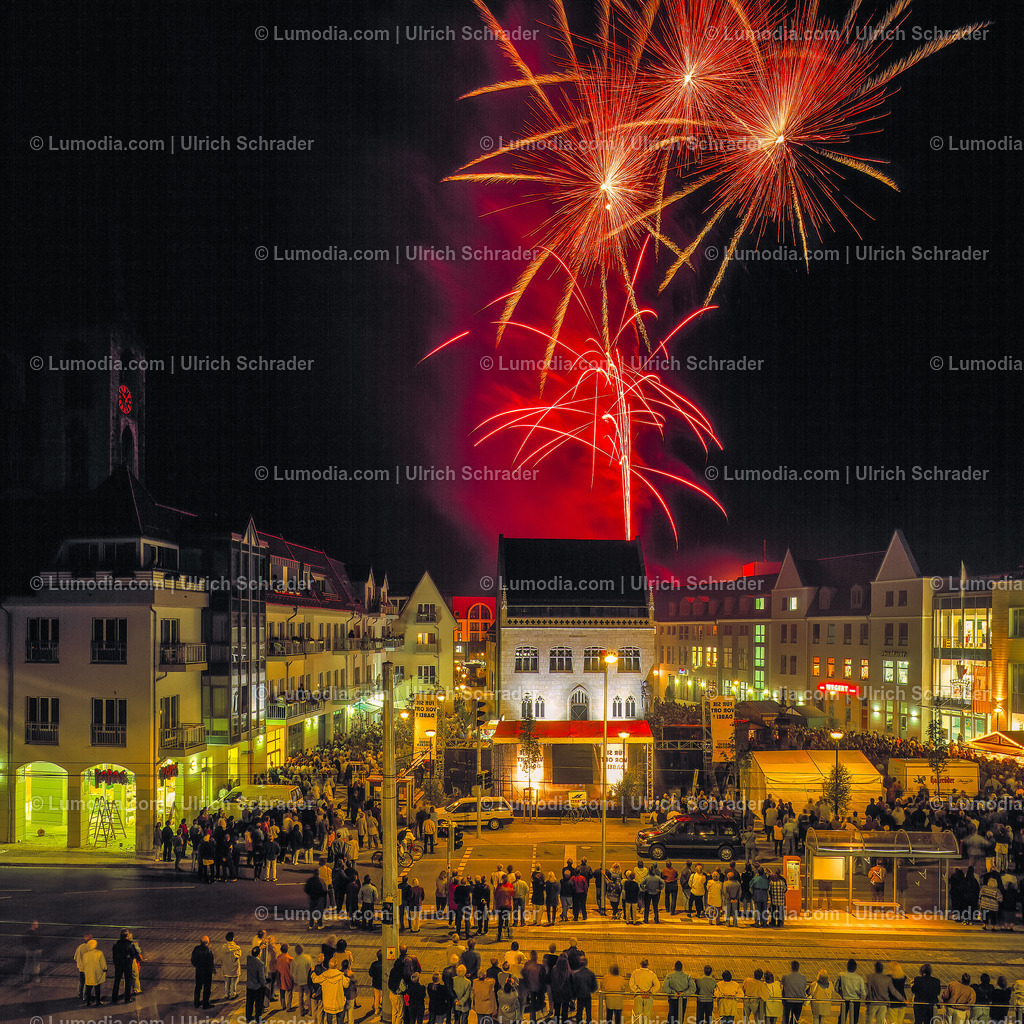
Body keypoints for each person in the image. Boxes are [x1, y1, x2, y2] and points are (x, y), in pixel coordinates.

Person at [630, 959, 660, 1024]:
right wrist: (650, 992)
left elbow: (631, 984)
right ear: (648, 965)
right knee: (647, 1015)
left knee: (638, 1014)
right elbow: (657, 985)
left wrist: (639, 991)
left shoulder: (635, 972)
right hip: (648, 996)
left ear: (640, 964)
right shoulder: (652, 974)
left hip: (638, 996)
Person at [192, 935, 216, 1010]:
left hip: (199, 971)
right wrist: (212, 970)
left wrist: (197, 966)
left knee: (198, 987)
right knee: (207, 988)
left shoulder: (196, 949)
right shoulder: (208, 951)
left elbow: (193, 960)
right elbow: (210, 962)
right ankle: (205, 1004)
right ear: (207, 942)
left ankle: (196, 1002)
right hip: (207, 973)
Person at [246, 945, 268, 1024]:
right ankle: (258, 1019)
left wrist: (259, 947)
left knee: (249, 1003)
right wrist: (264, 984)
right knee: (258, 1004)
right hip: (257, 987)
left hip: (249, 985)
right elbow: (261, 977)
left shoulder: (249, 959)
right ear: (259, 954)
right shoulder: (260, 963)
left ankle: (248, 1017)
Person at [550, 953, 574, 1024]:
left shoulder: (554, 969)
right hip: (566, 994)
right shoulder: (568, 972)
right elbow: (571, 984)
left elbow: (552, 982)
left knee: (557, 1010)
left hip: (556, 993)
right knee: (565, 1011)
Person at [573, 956, 598, 1024]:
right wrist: (590, 990)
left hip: (579, 996)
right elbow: (595, 987)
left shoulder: (576, 974)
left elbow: (574, 987)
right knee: (588, 1014)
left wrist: (574, 996)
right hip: (587, 995)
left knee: (579, 1013)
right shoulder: (590, 974)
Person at [82, 939, 107, 1006]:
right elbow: (103, 963)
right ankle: (97, 1001)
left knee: (88, 988)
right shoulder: (99, 953)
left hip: (88, 972)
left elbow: (84, 964)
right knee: (97, 987)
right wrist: (105, 968)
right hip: (97, 973)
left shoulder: (85, 954)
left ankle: (88, 1001)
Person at [292, 944, 314, 1016]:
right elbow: (311, 968)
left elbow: (292, 972)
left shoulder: (294, 960)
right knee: (308, 995)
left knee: (300, 995)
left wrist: (295, 980)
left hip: (299, 980)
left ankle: (301, 1011)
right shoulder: (307, 958)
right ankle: (310, 1010)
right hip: (306, 979)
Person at [221, 931, 242, 1001]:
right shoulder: (237, 948)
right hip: (234, 968)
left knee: (227, 982)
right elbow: (238, 956)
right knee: (234, 982)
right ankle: (233, 994)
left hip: (226, 967)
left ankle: (227, 994)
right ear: (233, 938)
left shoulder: (223, 947)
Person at [75, 933, 94, 1002]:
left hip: (81, 968)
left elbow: (75, 957)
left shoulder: (80, 947)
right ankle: (85, 996)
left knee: (81, 982)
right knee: (87, 983)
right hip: (88, 968)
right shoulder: (90, 948)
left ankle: (79, 994)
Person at [278, 943, 295, 1011]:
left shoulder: (278, 958)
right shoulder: (290, 959)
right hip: (288, 977)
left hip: (280, 978)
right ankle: (288, 1007)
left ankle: (283, 1006)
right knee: (289, 993)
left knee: (282, 993)